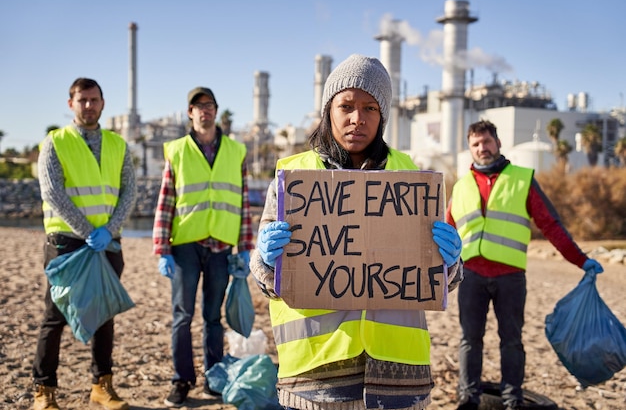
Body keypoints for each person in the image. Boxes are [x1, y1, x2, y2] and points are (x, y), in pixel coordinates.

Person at [250, 54, 464, 410]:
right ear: (327, 110)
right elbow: (266, 282)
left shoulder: (410, 178)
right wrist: (266, 261)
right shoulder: (293, 179)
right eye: (345, 106)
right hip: (315, 378)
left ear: (383, 117)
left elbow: (439, 280)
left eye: (370, 108)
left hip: (398, 379)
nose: (356, 119)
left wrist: (451, 263)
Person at [446, 120, 604, 410]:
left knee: (512, 341)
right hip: (471, 277)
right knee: (469, 339)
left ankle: (512, 401)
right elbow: (445, 235)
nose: (482, 148)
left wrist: (581, 260)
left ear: (498, 143)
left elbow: (551, 226)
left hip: (510, 277)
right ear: (470, 148)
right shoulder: (460, 187)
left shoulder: (522, 179)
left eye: (487, 141)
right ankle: (468, 399)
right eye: (476, 144)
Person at [33, 78, 136, 410]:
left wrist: (110, 229)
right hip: (66, 244)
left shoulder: (118, 145)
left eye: (94, 100)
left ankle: (101, 385)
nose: (88, 105)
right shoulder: (54, 142)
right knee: (54, 316)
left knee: (104, 315)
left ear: (103, 103)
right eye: (82, 100)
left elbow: (129, 192)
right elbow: (52, 192)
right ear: (71, 104)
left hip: (106, 244)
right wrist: (87, 230)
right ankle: (44, 390)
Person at [153, 86, 254, 408]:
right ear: (190, 113)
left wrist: (245, 246)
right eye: (198, 106)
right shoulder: (177, 150)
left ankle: (213, 377)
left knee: (213, 317)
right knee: (182, 316)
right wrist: (161, 247)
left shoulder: (236, 151)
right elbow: (166, 199)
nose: (204, 111)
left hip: (221, 247)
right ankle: (181, 380)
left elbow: (242, 201)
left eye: (209, 105)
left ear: (216, 110)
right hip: (185, 244)